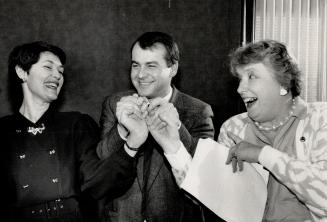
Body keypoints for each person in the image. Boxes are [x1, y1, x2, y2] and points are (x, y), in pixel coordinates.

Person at [149, 40, 327, 221]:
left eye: (251, 76)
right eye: (240, 79)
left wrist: (262, 154)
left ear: (284, 84)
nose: (240, 89)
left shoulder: (320, 119)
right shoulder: (233, 129)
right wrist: (172, 146)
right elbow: (211, 195)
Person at [0, 41, 135, 222]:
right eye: (48, 67)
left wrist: (132, 145)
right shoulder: (2, 131)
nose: (57, 75)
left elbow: (97, 183)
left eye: (61, 71)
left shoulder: (76, 125)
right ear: (22, 72)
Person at [95, 31, 215, 222]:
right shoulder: (115, 103)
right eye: (136, 65)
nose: (141, 75)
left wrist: (176, 127)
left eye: (151, 66)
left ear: (173, 68)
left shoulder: (198, 111)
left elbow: (204, 180)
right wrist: (123, 129)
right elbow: (101, 163)